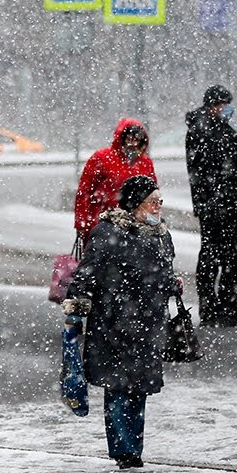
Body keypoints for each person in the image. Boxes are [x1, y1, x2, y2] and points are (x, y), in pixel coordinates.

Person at [64, 175, 179, 470]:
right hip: (114, 324)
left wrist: (171, 283)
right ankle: (123, 450)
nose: (158, 207)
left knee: (138, 389)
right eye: (152, 202)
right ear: (135, 204)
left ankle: (133, 448)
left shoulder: (161, 234)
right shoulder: (109, 232)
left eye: (159, 202)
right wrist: (75, 309)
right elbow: (88, 271)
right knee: (117, 387)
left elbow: (162, 272)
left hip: (148, 325)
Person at [185, 84, 237, 326]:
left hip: (227, 203)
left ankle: (227, 304)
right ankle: (212, 306)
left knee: (229, 256)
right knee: (212, 255)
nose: (226, 108)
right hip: (214, 205)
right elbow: (201, 171)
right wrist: (208, 203)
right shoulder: (201, 130)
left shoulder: (223, 129)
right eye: (222, 104)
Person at [74, 118, 156, 250]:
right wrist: (82, 224)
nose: (133, 144)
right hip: (103, 227)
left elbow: (153, 196)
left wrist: (153, 223)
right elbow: (84, 192)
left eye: (137, 139)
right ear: (121, 139)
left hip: (136, 229)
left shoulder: (145, 163)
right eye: (129, 139)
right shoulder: (101, 158)